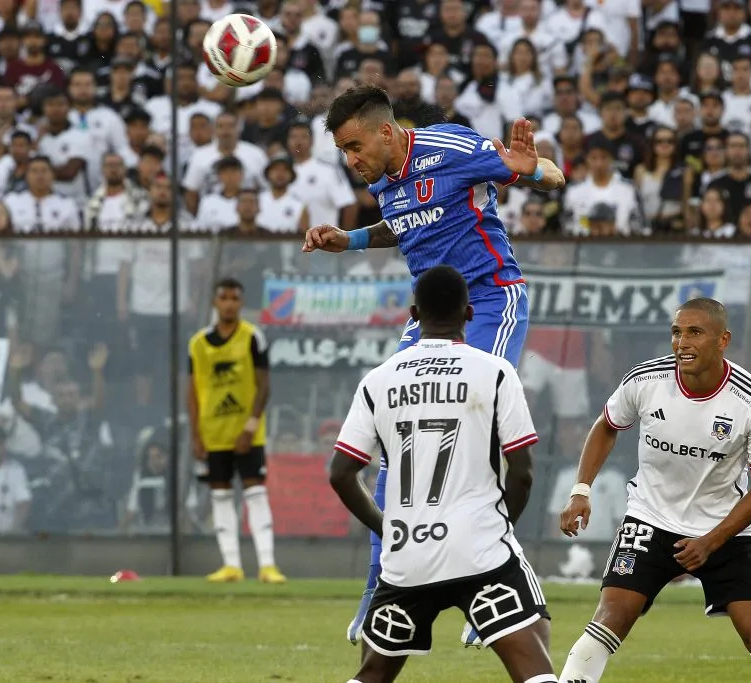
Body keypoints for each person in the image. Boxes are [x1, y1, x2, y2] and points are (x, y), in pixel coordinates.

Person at [301, 83, 566, 645]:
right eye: (343, 151)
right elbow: (403, 223)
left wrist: (532, 172)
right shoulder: (382, 177)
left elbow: (550, 175)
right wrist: (348, 240)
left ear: (386, 131)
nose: (351, 161)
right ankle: (379, 589)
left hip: (489, 300)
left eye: (354, 146)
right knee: (396, 443)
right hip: (427, 316)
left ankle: (493, 588)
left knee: (479, 435)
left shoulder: (452, 147)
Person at [329, 265, 555, 683]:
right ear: (469, 313)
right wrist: (500, 526)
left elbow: (342, 474)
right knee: (535, 653)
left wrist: (387, 526)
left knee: (372, 673)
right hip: (480, 551)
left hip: (407, 554)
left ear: (414, 314)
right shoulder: (495, 372)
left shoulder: (378, 380)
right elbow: (522, 473)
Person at [557, 297, 751, 683]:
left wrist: (711, 542)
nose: (682, 343)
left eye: (695, 332)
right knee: (610, 618)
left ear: (722, 340)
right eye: (676, 332)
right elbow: (606, 426)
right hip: (649, 519)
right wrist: (581, 490)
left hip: (723, 529)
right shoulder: (645, 380)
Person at [187, 277, 284, 585]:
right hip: (213, 433)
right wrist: (196, 435)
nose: (229, 304)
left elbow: (264, 385)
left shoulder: (252, 337)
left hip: (246, 432)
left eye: (234, 298)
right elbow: (192, 391)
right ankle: (231, 565)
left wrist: (251, 425)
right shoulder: (198, 343)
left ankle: (267, 565)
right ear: (215, 302)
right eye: (224, 298)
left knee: (255, 492)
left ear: (241, 303)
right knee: (220, 495)